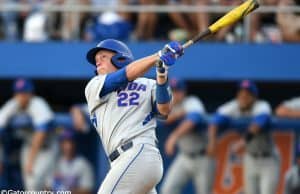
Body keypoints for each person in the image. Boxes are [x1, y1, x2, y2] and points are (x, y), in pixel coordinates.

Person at [84, 38, 183, 193]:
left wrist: (162, 77)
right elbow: (125, 75)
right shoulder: (95, 85)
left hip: (140, 152)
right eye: (96, 59)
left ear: (120, 58)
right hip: (123, 162)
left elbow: (164, 110)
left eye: (103, 56)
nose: (98, 61)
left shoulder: (148, 84)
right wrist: (158, 55)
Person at [207, 80, 278, 194]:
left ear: (254, 97)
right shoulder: (234, 105)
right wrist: (212, 142)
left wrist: (242, 142)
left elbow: (260, 121)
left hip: (268, 158)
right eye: (241, 93)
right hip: (250, 158)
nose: (243, 96)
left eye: (247, 94)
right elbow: (215, 120)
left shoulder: (262, 105)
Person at [0, 78, 58, 190]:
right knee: (31, 186)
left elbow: (41, 133)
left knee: (41, 184)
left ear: (30, 93)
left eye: (24, 92)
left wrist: (31, 161)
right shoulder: (12, 105)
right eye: (18, 93)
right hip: (28, 146)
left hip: (47, 148)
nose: (21, 96)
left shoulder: (38, 104)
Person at [160, 78, 215, 194]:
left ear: (184, 92)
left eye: (178, 91)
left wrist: (173, 137)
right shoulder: (170, 105)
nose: (175, 94)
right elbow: (162, 118)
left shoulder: (192, 102)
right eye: (173, 91)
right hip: (184, 156)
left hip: (203, 156)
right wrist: (178, 113)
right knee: (167, 190)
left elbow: (193, 119)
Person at [46, 130, 94, 194]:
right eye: (65, 143)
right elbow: (47, 187)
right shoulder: (55, 163)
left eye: (71, 142)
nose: (68, 147)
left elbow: (88, 190)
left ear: (75, 144)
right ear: (61, 144)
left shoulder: (83, 164)